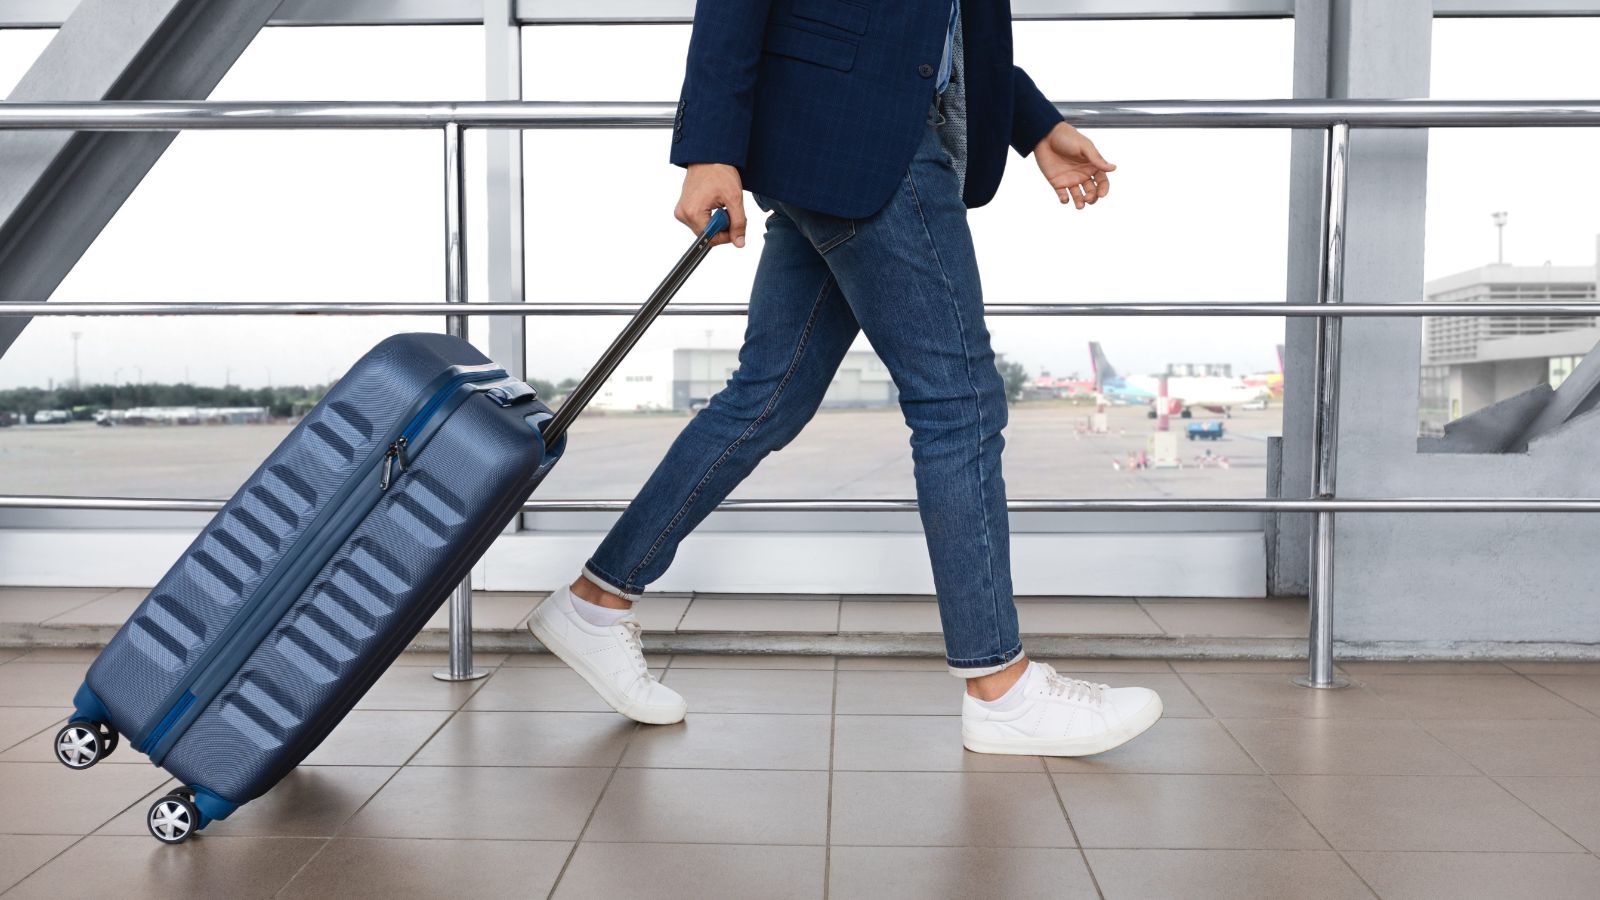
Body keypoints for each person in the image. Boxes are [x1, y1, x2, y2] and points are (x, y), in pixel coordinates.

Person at [528, 0, 1163, 756]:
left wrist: (1034, 125)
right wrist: (710, 149)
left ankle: (595, 603)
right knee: (958, 404)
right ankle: (1002, 689)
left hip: (842, 138)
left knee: (768, 396)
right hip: (866, 139)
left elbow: (938, 23)